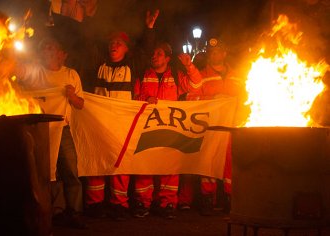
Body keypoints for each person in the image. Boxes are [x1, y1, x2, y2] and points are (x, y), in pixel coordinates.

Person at [85, 10, 159, 221]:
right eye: (111, 42)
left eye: (119, 43)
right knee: (96, 163)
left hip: (121, 124)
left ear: (126, 49)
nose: (113, 45)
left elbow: (145, 52)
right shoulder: (98, 64)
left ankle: (119, 204)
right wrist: (89, 17)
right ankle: (95, 203)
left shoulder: (131, 67)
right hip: (98, 122)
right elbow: (88, 42)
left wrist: (149, 29)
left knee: (120, 164)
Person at [16, 36, 87, 229]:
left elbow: (81, 105)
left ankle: (75, 212)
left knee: (71, 172)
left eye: (50, 47)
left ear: (61, 54)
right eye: (43, 47)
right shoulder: (35, 71)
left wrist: (72, 97)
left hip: (63, 130)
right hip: (40, 131)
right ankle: (52, 212)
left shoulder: (71, 74)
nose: (46, 50)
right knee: (45, 173)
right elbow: (17, 70)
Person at [133, 42, 202, 219]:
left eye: (159, 53)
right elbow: (134, 98)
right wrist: (145, 98)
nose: (154, 56)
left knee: (169, 167)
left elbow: (196, 86)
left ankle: (167, 203)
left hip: (171, 129)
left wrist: (189, 66)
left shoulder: (177, 77)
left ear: (167, 58)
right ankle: (143, 202)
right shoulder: (143, 75)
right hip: (147, 128)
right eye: (153, 53)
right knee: (145, 166)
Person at [184, 38, 243, 216]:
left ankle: (229, 198)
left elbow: (248, 98)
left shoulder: (238, 76)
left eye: (216, 51)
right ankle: (207, 199)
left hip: (234, 125)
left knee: (231, 163)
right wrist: (211, 99)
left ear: (224, 54)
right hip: (211, 126)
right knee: (210, 160)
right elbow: (190, 98)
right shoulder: (201, 75)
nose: (212, 54)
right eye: (210, 52)